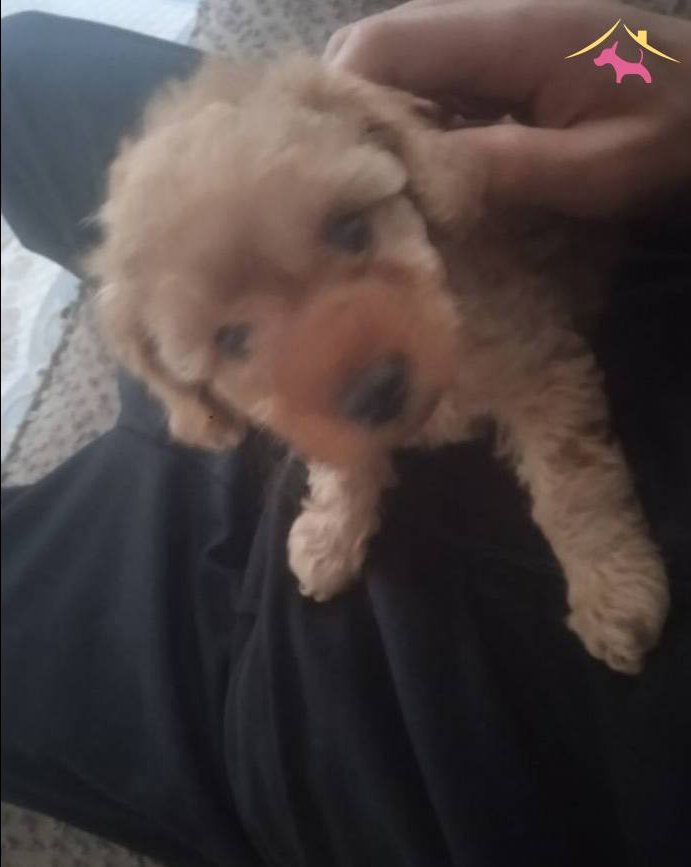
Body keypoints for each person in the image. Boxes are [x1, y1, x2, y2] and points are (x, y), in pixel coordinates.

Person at [2, 4, 690, 866]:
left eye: (347, 229)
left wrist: (592, 539)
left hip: (371, 697)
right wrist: (647, 51)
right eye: (234, 339)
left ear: (401, 149)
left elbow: (544, 381)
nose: (348, 363)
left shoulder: (446, 221)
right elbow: (625, 52)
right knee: (13, 60)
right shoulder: (313, 175)